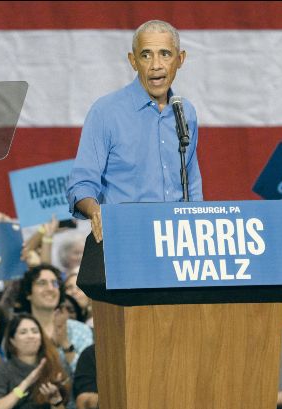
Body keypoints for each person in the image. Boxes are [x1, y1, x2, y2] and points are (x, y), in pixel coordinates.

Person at [66, 20, 203, 242]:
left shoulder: (185, 111)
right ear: (133, 61)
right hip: (127, 238)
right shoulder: (106, 112)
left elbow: (192, 184)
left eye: (165, 54)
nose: (156, 65)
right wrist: (96, 212)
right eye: (146, 55)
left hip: (179, 244)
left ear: (180, 59)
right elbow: (80, 185)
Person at [0, 314, 69, 409]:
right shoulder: (4, 369)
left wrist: (56, 401)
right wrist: (27, 382)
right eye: (23, 332)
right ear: (12, 340)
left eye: (35, 331)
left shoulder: (54, 364)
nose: (31, 336)